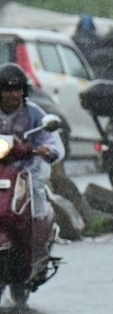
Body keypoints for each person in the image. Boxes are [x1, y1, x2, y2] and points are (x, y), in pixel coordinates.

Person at [0, 63, 65, 220]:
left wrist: (47, 150)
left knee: (35, 185)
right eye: (7, 91)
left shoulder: (34, 113)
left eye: (17, 90)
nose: (13, 95)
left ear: (24, 91)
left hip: (26, 167)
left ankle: (38, 226)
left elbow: (52, 141)